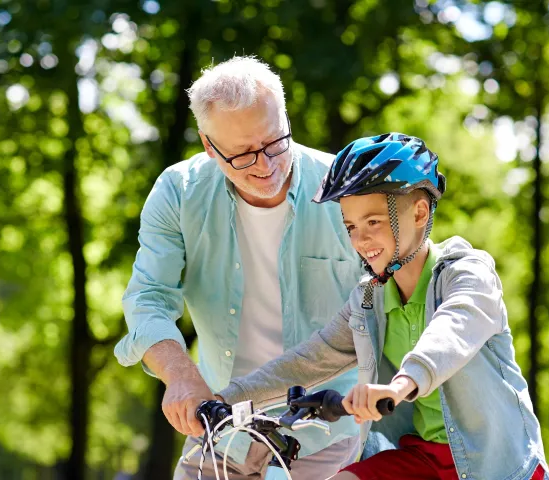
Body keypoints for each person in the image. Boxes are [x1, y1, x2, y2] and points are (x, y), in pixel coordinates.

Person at [215, 133, 549, 480]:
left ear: (420, 212)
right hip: (422, 460)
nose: (360, 240)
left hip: (496, 467)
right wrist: (225, 399)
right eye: (351, 226)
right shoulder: (368, 300)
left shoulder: (468, 273)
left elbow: (452, 331)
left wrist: (400, 385)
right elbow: (308, 360)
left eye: (373, 222)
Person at [113, 55, 365, 479]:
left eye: (273, 143)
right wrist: (180, 375)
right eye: (244, 155)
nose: (265, 167)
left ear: (285, 118)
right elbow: (149, 297)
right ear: (210, 147)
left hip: (330, 426)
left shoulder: (349, 191)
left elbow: (395, 303)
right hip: (219, 421)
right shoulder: (178, 193)